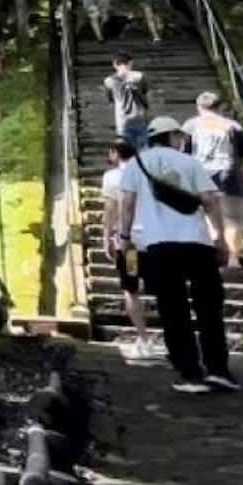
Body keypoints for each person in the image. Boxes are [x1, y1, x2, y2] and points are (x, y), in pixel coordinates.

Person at [115, 116, 239, 394]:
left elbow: (127, 202)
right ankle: (218, 370)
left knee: (174, 311)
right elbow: (210, 201)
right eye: (179, 136)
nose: (182, 140)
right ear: (171, 136)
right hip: (198, 244)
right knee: (209, 309)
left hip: (159, 245)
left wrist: (124, 237)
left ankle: (190, 374)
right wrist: (220, 237)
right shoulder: (190, 163)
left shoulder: (137, 163)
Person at [101, 141, 161, 363]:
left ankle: (144, 338)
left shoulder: (112, 177)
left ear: (116, 153)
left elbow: (110, 210)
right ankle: (176, 336)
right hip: (155, 241)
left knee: (132, 288)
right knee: (162, 288)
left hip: (130, 245)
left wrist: (106, 238)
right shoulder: (150, 174)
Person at [185, 91, 243, 270]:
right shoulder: (233, 126)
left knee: (204, 216)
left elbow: (183, 156)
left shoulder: (190, 126)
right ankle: (233, 259)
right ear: (219, 107)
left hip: (201, 176)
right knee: (233, 218)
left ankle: (211, 250)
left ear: (198, 107)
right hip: (230, 174)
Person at [103, 52, 151, 151]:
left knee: (124, 147)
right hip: (139, 116)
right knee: (143, 147)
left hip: (122, 118)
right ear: (130, 63)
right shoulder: (139, 76)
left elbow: (110, 99)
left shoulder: (108, 81)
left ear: (115, 64)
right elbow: (145, 92)